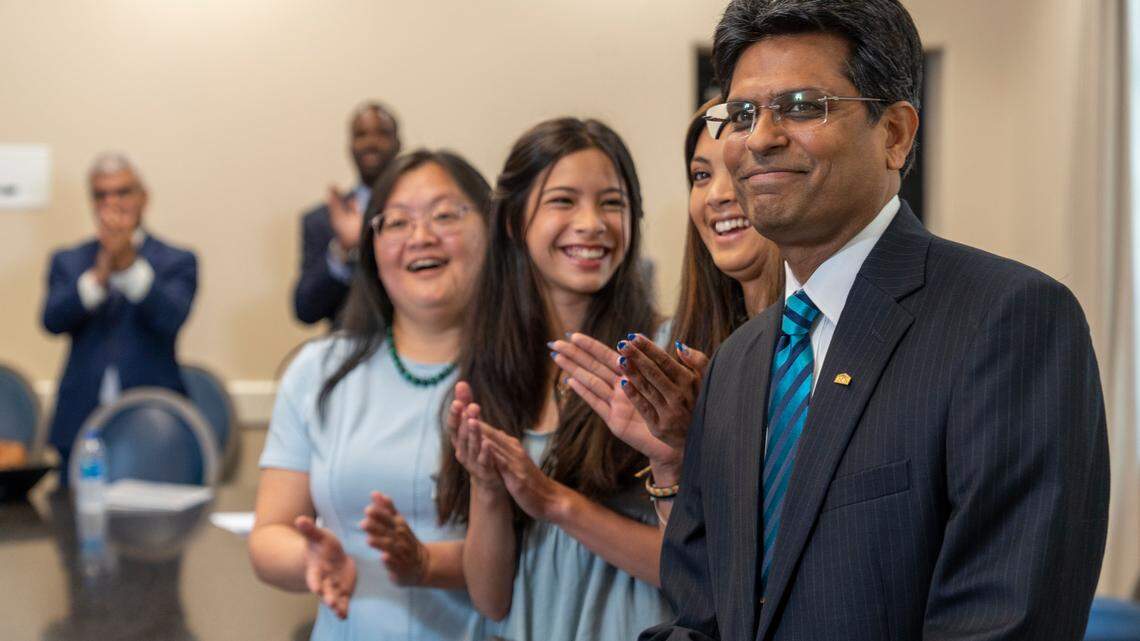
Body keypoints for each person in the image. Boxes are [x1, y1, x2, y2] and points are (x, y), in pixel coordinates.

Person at [642, 1, 1110, 640]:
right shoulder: (739, 361)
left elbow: (1003, 624)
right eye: (742, 114)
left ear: (895, 134)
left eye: (801, 106)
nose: (759, 138)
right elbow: (698, 614)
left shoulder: (1009, 320)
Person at [435, 117, 675, 640]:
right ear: (513, 221)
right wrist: (488, 487)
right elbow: (490, 599)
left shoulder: (662, 357)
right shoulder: (489, 371)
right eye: (563, 201)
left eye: (611, 203)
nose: (592, 223)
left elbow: (688, 567)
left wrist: (555, 503)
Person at [250, 149, 490, 640]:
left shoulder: (530, 374)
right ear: (372, 247)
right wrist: (310, 558)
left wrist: (427, 562)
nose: (421, 236)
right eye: (396, 222)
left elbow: (546, 552)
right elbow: (269, 535)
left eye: (445, 215)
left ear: (492, 230)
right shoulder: (319, 371)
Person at [550, 100, 784, 526]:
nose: (717, 195)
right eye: (701, 176)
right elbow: (685, 557)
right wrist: (671, 461)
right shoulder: (686, 344)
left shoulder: (811, 344)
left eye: (740, 169)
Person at [42, 153, 198, 472]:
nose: (111, 202)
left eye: (122, 192)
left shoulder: (177, 260)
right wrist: (97, 279)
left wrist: (127, 266)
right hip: (79, 421)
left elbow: (171, 318)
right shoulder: (69, 260)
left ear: (144, 197)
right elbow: (52, 320)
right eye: (101, 194)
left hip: (154, 421)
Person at [293, 101, 401, 327]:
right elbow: (305, 309)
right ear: (350, 146)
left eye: (382, 133)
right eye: (361, 135)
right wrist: (343, 250)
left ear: (398, 143)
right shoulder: (321, 220)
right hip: (350, 342)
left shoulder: (423, 214)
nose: (371, 143)